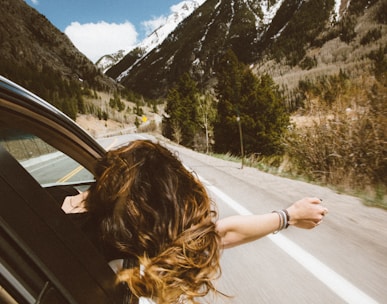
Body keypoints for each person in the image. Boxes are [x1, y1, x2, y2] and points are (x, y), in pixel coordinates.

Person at [58, 140, 328, 304]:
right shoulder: (124, 245)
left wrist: (289, 216)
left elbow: (218, 234)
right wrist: (288, 216)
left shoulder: (49, 204)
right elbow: (219, 234)